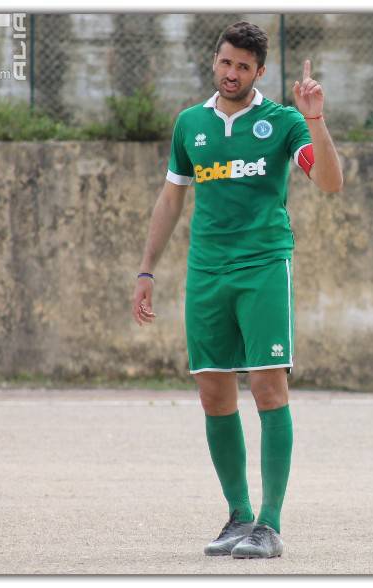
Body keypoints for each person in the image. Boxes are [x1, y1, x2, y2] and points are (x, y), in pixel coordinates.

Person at [130, 21, 343, 559]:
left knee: (269, 389)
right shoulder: (190, 124)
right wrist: (147, 270)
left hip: (264, 267)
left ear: (259, 72)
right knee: (213, 394)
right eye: (225, 63)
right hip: (207, 272)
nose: (232, 73)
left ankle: (269, 526)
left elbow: (330, 182)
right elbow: (171, 200)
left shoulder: (283, 122)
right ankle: (238, 515)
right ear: (215, 61)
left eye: (243, 67)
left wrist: (315, 120)